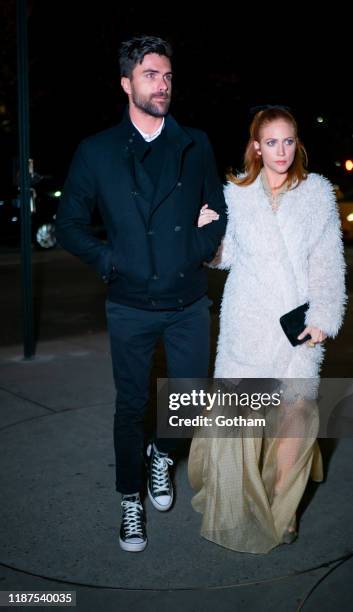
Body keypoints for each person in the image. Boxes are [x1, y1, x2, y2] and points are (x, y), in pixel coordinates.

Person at [56, 35, 226, 552]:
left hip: (187, 300)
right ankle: (130, 497)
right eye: (151, 75)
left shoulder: (194, 142)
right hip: (130, 303)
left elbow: (219, 211)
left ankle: (161, 458)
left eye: (168, 75)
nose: (163, 84)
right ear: (127, 82)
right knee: (131, 405)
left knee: (191, 400)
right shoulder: (98, 150)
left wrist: (194, 246)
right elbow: (69, 225)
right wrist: (113, 262)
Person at [188, 106, 346, 553]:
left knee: (294, 417)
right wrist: (209, 240)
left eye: (289, 141)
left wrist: (324, 318)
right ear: (256, 146)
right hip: (248, 320)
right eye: (271, 142)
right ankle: (237, 498)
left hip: (298, 326)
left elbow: (328, 262)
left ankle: (284, 507)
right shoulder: (236, 194)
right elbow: (228, 257)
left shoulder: (317, 194)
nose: (281, 151)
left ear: (298, 144)